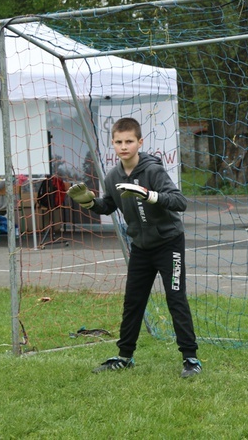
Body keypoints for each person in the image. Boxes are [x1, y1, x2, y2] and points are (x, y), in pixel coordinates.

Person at [67, 117, 201, 378]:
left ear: (139, 142)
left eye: (129, 141)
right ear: (113, 144)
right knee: (133, 301)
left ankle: (191, 359)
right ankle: (124, 356)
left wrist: (147, 195)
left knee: (176, 299)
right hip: (140, 247)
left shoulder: (153, 171)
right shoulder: (113, 175)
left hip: (168, 243)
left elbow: (179, 202)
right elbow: (108, 205)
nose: (124, 146)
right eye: (118, 142)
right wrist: (89, 202)